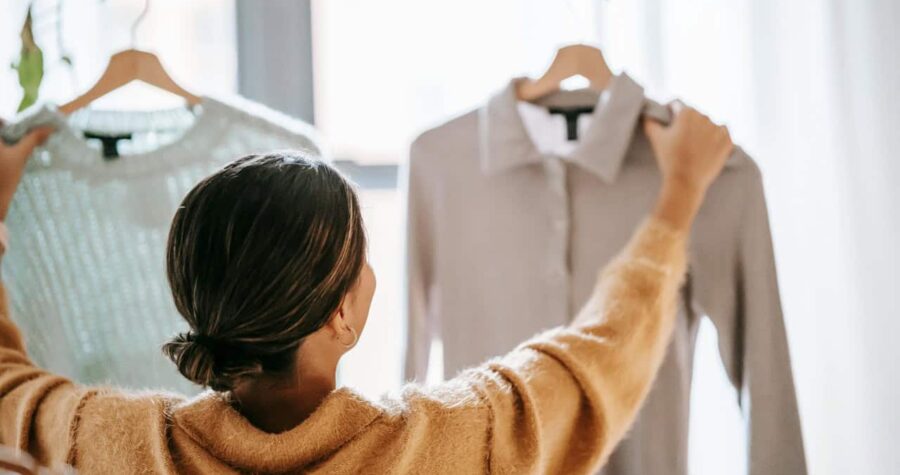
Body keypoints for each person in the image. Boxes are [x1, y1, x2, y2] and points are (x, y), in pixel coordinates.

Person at [0, 106, 732, 474]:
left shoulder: (121, 443)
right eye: (364, 257)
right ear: (342, 313)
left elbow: (9, 388)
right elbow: (604, 350)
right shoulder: (444, 443)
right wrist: (680, 192)